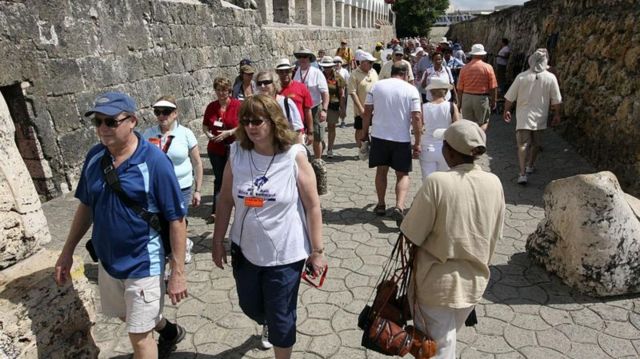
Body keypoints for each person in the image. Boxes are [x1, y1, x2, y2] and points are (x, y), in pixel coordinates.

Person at [54, 92, 188, 358]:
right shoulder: (95, 157)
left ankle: (156, 330)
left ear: (132, 122)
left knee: (139, 337)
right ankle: (168, 329)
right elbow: (86, 206)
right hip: (108, 260)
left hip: (143, 260)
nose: (103, 129)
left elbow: (176, 219)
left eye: (111, 122)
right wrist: (67, 251)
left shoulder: (154, 162)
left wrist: (178, 272)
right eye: (98, 122)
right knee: (127, 316)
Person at [211, 95, 326, 359]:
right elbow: (226, 199)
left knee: (281, 317)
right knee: (249, 304)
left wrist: (317, 250)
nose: (251, 127)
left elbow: (313, 206)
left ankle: (279, 345)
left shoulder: (294, 155)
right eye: (246, 121)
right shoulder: (237, 152)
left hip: (286, 253)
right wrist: (218, 241)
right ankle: (267, 321)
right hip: (245, 248)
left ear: (273, 122)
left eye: (257, 121)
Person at [400, 119, 505, 359]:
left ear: (449, 150)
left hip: (436, 285)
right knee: (445, 341)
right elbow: (496, 233)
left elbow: (411, 233)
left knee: (435, 350)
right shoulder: (495, 182)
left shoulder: (437, 182)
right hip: (473, 283)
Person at [143, 96, 203, 264]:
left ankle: (181, 249)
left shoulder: (185, 133)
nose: (162, 116)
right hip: (157, 188)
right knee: (162, 221)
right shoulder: (148, 134)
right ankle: (174, 247)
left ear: (175, 113)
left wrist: (198, 190)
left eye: (166, 112)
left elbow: (197, 163)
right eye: (158, 112)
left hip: (181, 187)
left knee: (178, 220)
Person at [361, 63, 422, 223]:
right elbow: (416, 117)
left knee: (381, 171)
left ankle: (381, 205)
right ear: (406, 74)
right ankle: (399, 206)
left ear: (391, 72)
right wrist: (417, 142)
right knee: (402, 174)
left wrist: (364, 133)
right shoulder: (411, 90)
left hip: (379, 136)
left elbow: (367, 112)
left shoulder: (377, 86)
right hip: (401, 138)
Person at [503, 48, 562, 185]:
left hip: (523, 117)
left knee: (522, 145)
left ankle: (522, 173)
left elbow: (510, 97)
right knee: (536, 144)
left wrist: (506, 110)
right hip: (540, 117)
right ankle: (530, 165)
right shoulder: (550, 78)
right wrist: (557, 114)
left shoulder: (522, 76)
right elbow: (557, 100)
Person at [203, 77, 241, 222]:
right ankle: (216, 210)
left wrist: (230, 132)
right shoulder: (211, 106)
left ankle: (238, 207)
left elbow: (243, 124)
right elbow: (205, 125)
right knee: (219, 179)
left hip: (233, 147)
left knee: (233, 178)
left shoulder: (238, 105)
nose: (221, 93)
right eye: (218, 90)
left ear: (229, 90)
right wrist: (209, 135)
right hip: (215, 148)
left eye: (224, 90)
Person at [419, 78, 460, 180]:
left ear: (431, 92)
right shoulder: (451, 106)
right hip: (446, 148)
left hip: (427, 147)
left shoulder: (423, 107)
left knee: (428, 181)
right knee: (445, 180)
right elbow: (457, 127)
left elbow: (419, 128)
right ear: (445, 91)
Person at [293, 47, 329, 159]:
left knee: (317, 137)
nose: (302, 59)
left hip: (315, 108)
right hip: (300, 109)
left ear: (309, 59)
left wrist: (324, 110)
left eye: (305, 57)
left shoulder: (317, 73)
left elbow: (325, 93)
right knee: (300, 135)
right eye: (300, 57)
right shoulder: (295, 73)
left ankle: (318, 161)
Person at [254, 70, 305, 143]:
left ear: (274, 84)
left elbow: (297, 130)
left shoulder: (286, 103)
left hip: (286, 147)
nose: (262, 86)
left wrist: (299, 151)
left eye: (266, 82)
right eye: (259, 83)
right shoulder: (255, 105)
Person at [457, 44, 498, 131]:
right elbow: (493, 87)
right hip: (481, 98)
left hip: (466, 97)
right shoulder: (488, 67)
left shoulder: (464, 68)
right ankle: (479, 139)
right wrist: (494, 101)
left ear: (472, 54)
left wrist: (459, 103)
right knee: (483, 122)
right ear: (483, 54)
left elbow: (460, 88)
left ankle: (469, 142)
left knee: (467, 124)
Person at [276, 58, 314, 145]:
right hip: (279, 133)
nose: (284, 74)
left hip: (298, 132)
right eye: (281, 72)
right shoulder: (274, 90)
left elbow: (308, 110)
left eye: (287, 71)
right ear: (277, 73)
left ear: (292, 71)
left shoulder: (302, 88)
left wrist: (310, 132)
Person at [348, 51, 379, 151]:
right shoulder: (354, 74)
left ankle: (374, 148)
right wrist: (361, 109)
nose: (371, 64)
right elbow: (352, 93)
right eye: (370, 62)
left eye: (372, 63)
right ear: (362, 62)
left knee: (375, 128)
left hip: (375, 108)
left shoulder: (373, 72)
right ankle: (361, 149)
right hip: (361, 109)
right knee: (360, 129)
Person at [318, 56, 346, 158]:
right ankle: (322, 143)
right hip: (320, 105)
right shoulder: (318, 75)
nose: (327, 69)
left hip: (333, 105)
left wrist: (343, 109)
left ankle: (330, 148)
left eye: (329, 66)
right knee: (319, 127)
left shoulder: (338, 77)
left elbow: (342, 94)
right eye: (325, 67)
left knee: (331, 127)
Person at [333, 56, 350, 128]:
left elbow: (348, 81)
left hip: (343, 90)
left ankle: (343, 120)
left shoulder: (345, 71)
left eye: (339, 62)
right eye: (335, 62)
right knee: (334, 105)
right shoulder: (332, 71)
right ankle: (333, 120)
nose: (337, 63)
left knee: (343, 105)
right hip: (334, 91)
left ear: (341, 63)